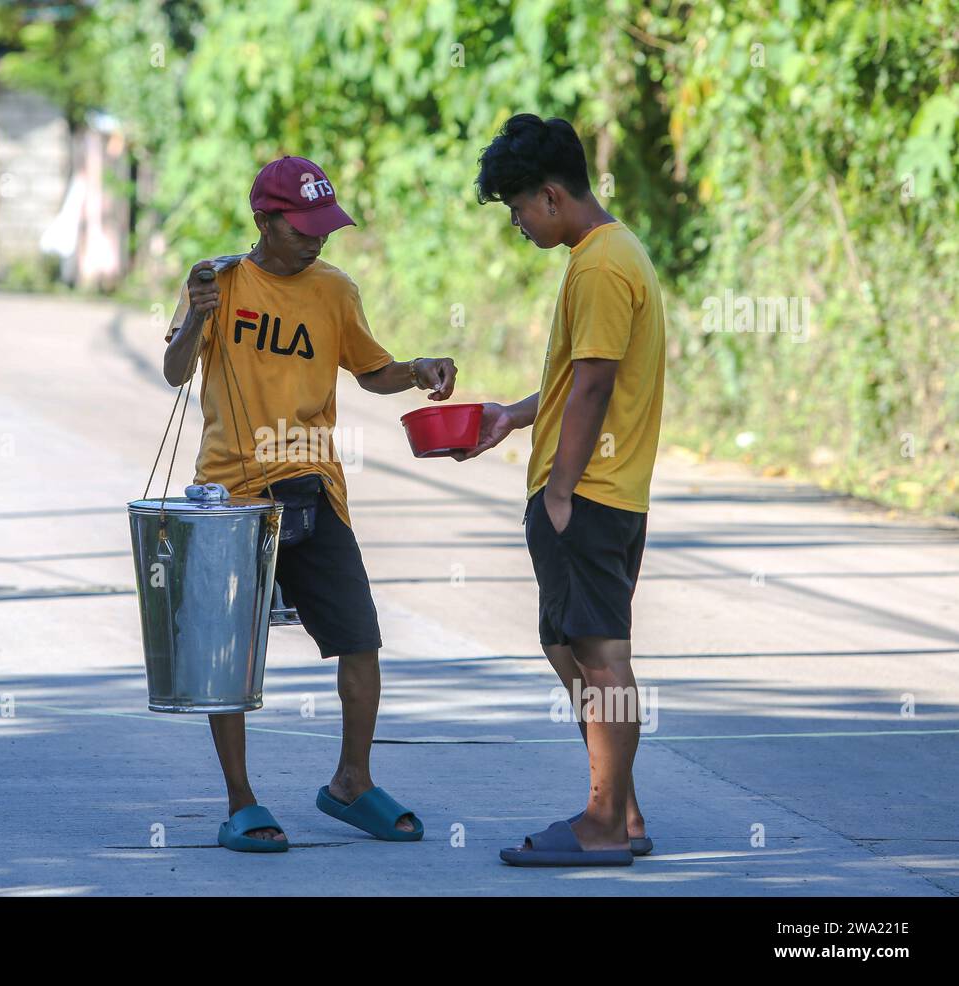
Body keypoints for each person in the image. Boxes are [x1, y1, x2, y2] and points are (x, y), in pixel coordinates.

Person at [161, 155, 457, 852]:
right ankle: (241, 801)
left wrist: (416, 370)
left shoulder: (334, 290)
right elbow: (175, 371)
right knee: (225, 657)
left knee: (360, 638)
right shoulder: (218, 280)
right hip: (231, 490)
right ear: (264, 220)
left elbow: (371, 369)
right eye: (303, 228)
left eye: (326, 226)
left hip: (313, 485)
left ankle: (352, 780)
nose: (318, 239)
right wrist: (192, 322)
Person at [455, 115, 665, 866]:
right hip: (596, 489)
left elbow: (597, 383)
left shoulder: (603, 264)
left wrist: (562, 491)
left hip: (592, 493)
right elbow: (575, 374)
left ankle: (604, 823)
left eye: (517, 210)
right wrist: (514, 416)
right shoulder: (603, 254)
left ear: (550, 195)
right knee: (567, 646)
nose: (517, 225)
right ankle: (624, 810)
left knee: (601, 657)